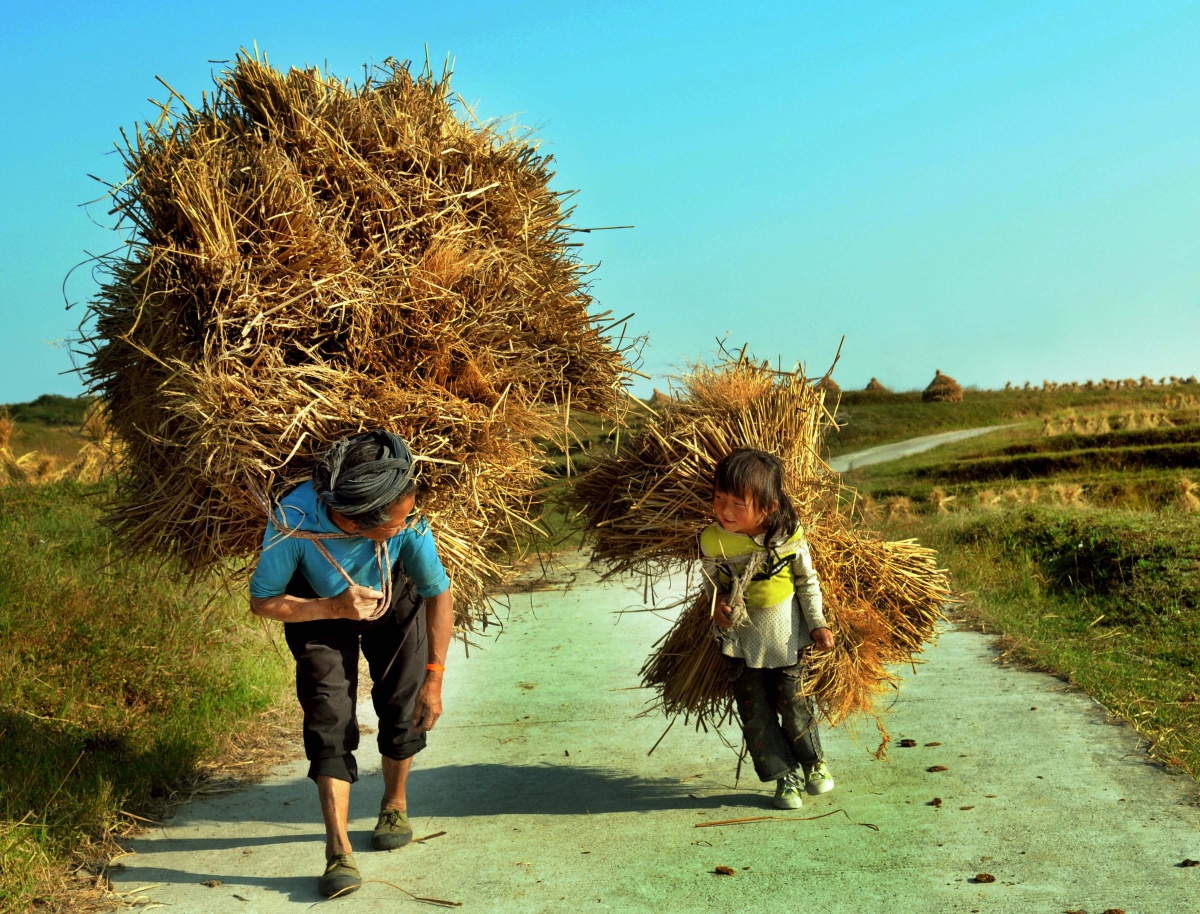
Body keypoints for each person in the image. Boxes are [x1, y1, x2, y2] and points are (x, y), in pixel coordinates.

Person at [249, 430, 454, 898]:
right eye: (397, 521)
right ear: (360, 523)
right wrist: (332, 607)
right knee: (328, 717)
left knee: (403, 703)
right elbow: (263, 601)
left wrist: (435, 678)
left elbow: (437, 593)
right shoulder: (294, 522)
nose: (407, 524)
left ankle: (394, 804)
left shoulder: (409, 523)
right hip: (318, 610)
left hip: (392, 601)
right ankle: (337, 849)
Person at [700, 447, 836, 810]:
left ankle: (813, 763)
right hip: (740, 643)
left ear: (769, 507)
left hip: (786, 639)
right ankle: (784, 778)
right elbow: (712, 587)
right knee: (756, 716)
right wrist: (719, 610)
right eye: (718, 499)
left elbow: (807, 582)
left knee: (792, 704)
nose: (724, 511)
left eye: (737, 503)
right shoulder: (712, 540)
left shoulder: (789, 535)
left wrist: (817, 624)